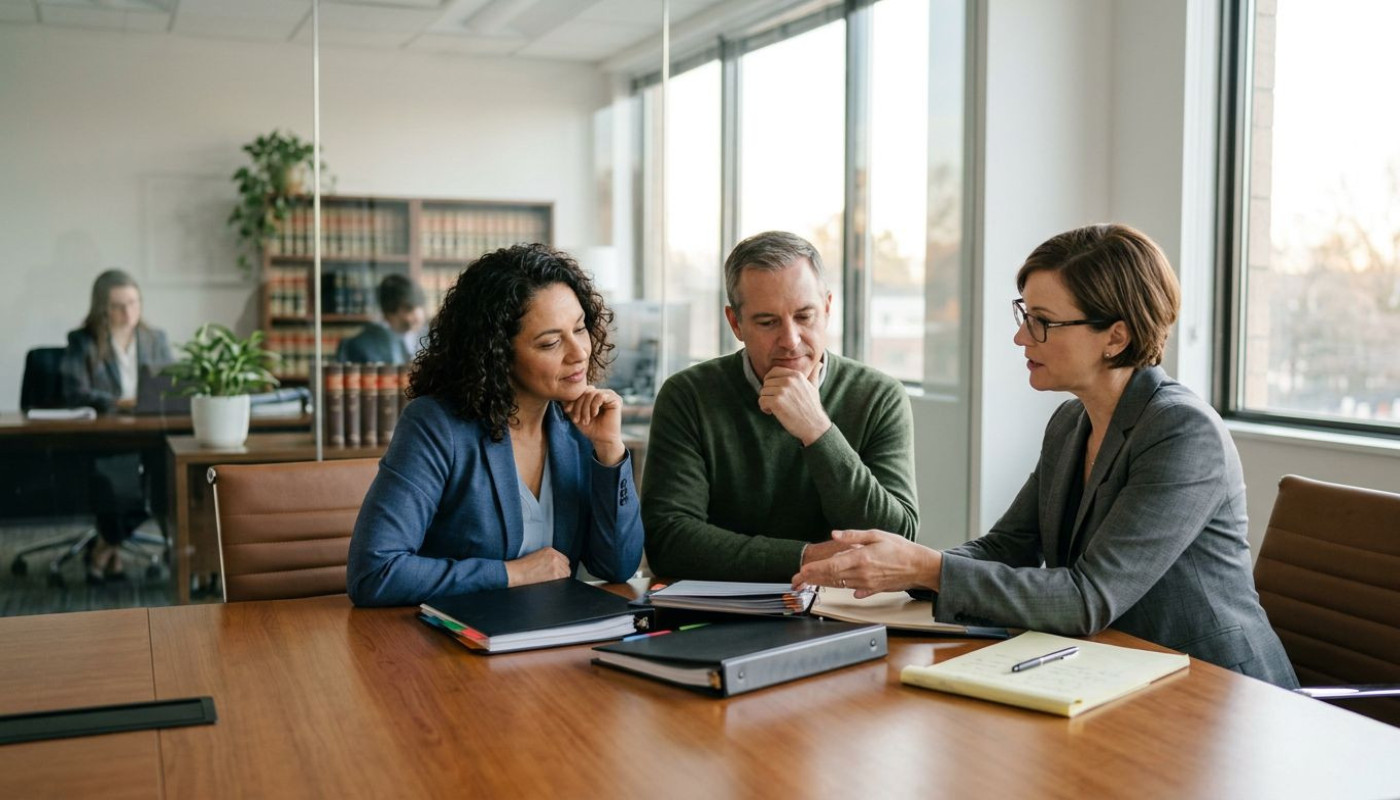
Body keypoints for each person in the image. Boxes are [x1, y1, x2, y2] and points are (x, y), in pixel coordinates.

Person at [794, 224, 1298, 687]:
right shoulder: (1070, 422)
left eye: (1043, 323)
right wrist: (897, 565)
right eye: (1024, 315)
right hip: (1118, 671)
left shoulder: (1183, 433)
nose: (1020, 337)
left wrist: (926, 569)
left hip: (1219, 692)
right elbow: (1008, 545)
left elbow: (1087, 597)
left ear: (1115, 337)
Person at [347, 244, 643, 606]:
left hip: (549, 636)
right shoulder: (437, 426)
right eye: (550, 342)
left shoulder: (578, 425)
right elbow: (375, 573)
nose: (579, 352)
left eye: (580, 329)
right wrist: (511, 574)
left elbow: (618, 566)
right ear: (497, 353)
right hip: (451, 645)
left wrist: (609, 452)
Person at [642, 231, 918, 583]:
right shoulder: (688, 396)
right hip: (718, 617)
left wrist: (817, 431)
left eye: (804, 316)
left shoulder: (879, 396)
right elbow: (670, 542)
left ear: (828, 308)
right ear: (735, 323)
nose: (790, 340)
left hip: (845, 613)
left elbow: (898, 540)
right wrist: (807, 558)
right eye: (768, 322)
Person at [60, 269, 173, 582]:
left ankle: (105, 546)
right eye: (119, 305)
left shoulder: (155, 339)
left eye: (134, 303)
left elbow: (171, 384)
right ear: (102, 308)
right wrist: (121, 403)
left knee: (168, 475)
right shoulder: (82, 341)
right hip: (104, 436)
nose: (129, 312)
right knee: (119, 477)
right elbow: (74, 391)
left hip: (150, 432)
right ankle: (110, 547)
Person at [336, 274, 427, 365]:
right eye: (409, 308)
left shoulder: (421, 339)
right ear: (390, 309)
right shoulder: (360, 345)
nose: (419, 316)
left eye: (420, 307)